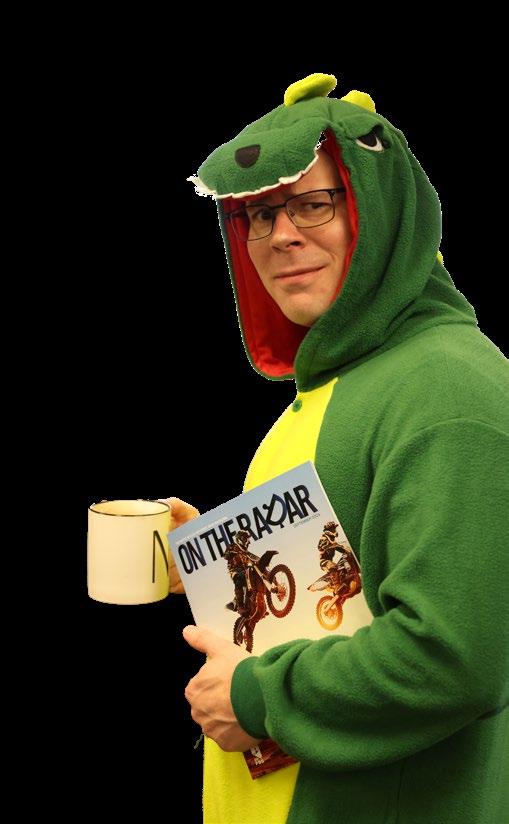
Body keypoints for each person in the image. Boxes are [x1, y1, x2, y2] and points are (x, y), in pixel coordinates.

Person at [167, 73, 509, 823]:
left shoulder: (445, 389)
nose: (281, 235)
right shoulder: (344, 383)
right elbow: (343, 580)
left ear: (378, 210)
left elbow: (451, 659)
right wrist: (211, 560)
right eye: (259, 213)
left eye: (314, 202)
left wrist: (255, 698)